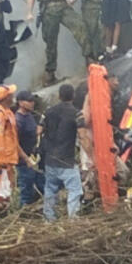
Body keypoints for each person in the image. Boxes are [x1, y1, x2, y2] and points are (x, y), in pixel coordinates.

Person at [27, 0, 87, 83]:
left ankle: (91, 58)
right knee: (50, 42)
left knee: (81, 28)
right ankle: (50, 73)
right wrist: (29, 12)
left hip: (64, 7)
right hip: (48, 10)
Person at [42, 83, 83, 220]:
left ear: (59, 96)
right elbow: (83, 135)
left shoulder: (48, 112)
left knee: (50, 189)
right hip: (67, 160)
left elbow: (38, 131)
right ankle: (73, 218)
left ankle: (49, 218)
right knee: (75, 189)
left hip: (50, 159)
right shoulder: (77, 113)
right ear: (73, 96)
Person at [15, 91, 43, 206]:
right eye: (29, 101)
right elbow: (14, 143)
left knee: (41, 184)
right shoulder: (18, 120)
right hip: (24, 161)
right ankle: (23, 211)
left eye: (33, 101)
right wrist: (26, 159)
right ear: (21, 103)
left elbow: (33, 132)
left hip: (34, 158)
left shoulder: (29, 116)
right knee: (26, 188)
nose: (32, 103)